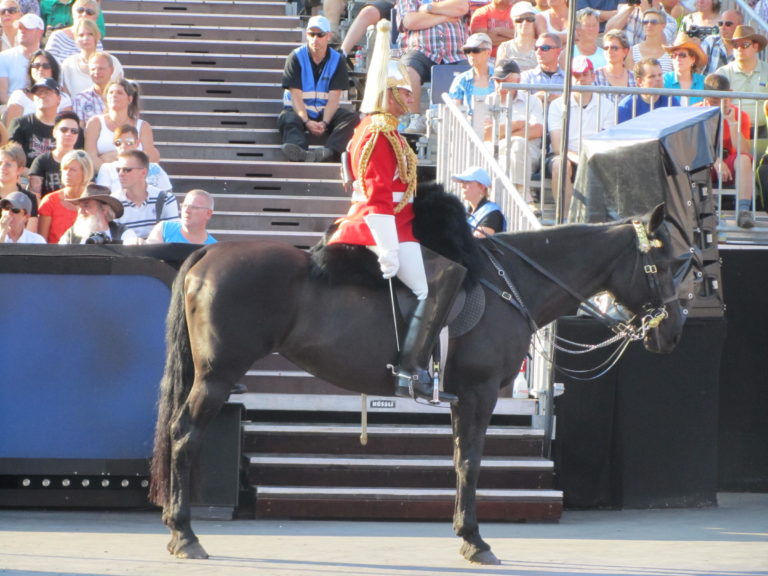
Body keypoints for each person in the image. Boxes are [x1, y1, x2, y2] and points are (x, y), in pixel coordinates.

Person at [328, 20, 463, 403]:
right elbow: (378, 194)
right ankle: (410, 372)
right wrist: (387, 247)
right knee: (429, 292)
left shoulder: (385, 130)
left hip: (397, 222)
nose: (410, 94)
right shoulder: (377, 133)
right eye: (403, 89)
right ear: (388, 93)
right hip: (381, 226)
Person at [278, 15, 359, 163]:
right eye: (311, 34)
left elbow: (334, 98)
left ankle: (328, 152)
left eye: (320, 35)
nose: (315, 39)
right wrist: (306, 121)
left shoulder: (337, 60)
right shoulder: (295, 57)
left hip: (324, 112)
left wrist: (325, 122)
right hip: (298, 111)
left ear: (328, 36)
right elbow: (295, 97)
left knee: (352, 118)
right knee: (287, 118)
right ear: (306, 35)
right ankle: (298, 150)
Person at [548, 56, 616, 214]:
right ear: (570, 78)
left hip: (595, 155)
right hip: (565, 156)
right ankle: (566, 219)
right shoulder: (557, 105)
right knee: (561, 165)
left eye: (585, 74)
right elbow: (558, 147)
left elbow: (606, 142)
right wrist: (579, 158)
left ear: (593, 76)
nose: (581, 79)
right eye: (576, 75)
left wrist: (586, 157)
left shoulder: (607, 106)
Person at [396, 0, 470, 134]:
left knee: (473, 75)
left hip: (456, 54)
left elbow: (461, 7)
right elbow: (410, 21)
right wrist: (445, 17)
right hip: (422, 51)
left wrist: (426, 9)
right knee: (407, 70)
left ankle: (468, 121)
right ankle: (415, 118)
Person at [695, 73, 754, 228]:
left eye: (721, 101)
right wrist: (714, 159)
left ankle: (743, 211)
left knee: (744, 159)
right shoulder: (693, 112)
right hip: (704, 160)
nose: (717, 106)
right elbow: (692, 147)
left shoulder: (740, 114)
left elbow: (744, 149)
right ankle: (705, 212)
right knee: (693, 162)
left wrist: (732, 122)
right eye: (713, 101)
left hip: (730, 161)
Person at [483, 59, 543, 206]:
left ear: (518, 80)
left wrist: (502, 133)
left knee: (516, 145)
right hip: (498, 149)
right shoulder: (489, 100)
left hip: (527, 152)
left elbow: (537, 130)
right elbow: (485, 134)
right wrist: (516, 125)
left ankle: (496, 202)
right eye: (496, 80)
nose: (499, 84)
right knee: (511, 149)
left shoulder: (532, 101)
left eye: (503, 80)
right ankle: (524, 196)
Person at [84, 78, 159, 171]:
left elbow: (149, 159)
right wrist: (110, 174)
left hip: (135, 178)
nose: (114, 95)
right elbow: (90, 157)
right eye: (111, 92)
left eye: (119, 93)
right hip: (102, 177)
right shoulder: (95, 123)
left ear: (130, 99)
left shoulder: (143, 127)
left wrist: (113, 156)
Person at [112, 149, 179, 242]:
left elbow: (173, 235)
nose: (120, 174)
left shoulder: (166, 199)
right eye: (118, 170)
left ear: (143, 172)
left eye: (126, 170)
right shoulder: (113, 201)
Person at [715, 25, 768, 139]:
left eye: (745, 45)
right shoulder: (723, 73)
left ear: (756, 46)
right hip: (732, 130)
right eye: (735, 45)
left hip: (764, 130)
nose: (739, 49)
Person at [96, 123, 171, 194]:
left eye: (129, 142)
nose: (123, 146)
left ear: (137, 143)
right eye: (118, 142)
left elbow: (167, 195)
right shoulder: (107, 168)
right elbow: (104, 197)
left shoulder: (155, 168)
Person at [3, 49, 71, 126]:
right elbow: (11, 130)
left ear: (53, 70)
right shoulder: (19, 96)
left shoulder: (64, 99)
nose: (40, 69)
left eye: (46, 66)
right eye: (36, 65)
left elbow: (67, 127)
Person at [36, 147, 91, 242]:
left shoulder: (93, 202)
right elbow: (42, 242)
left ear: (85, 173)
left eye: (73, 170)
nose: (67, 174)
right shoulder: (50, 201)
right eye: (65, 169)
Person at [8, 76, 64, 165]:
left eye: (47, 92)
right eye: (38, 92)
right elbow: (11, 159)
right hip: (25, 176)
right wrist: (31, 174)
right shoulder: (20, 124)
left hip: (59, 176)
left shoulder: (68, 128)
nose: (42, 95)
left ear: (59, 99)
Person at [60, 18, 121, 96]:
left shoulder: (112, 61)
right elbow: (65, 94)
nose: (85, 38)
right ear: (75, 38)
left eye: (90, 34)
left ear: (97, 36)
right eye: (81, 35)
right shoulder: (68, 64)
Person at [28, 109, 80, 198]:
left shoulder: (83, 160)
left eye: (74, 131)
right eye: (64, 130)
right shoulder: (41, 161)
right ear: (54, 132)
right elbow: (35, 196)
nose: (69, 134)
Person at [58, 182, 125, 243]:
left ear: (104, 209)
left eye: (86, 206)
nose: (81, 211)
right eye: (79, 207)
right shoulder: (70, 236)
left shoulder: (122, 234)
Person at [0, 12, 44, 105]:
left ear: (40, 32)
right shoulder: (3, 58)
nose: (22, 30)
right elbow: (2, 94)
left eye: (27, 28)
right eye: (20, 27)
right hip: (12, 109)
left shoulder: (50, 60)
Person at [617, 57, 680, 123]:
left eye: (660, 75)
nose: (658, 79)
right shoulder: (626, 106)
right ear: (640, 82)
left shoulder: (671, 101)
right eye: (652, 76)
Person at [146, 188, 216, 244]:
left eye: (194, 207)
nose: (187, 211)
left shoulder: (212, 247)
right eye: (184, 206)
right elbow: (148, 257)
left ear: (208, 214)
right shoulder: (164, 229)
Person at [448, 33, 494, 117]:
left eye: (476, 50)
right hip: (469, 125)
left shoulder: (499, 78)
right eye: (467, 51)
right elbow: (455, 110)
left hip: (496, 125)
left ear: (488, 53)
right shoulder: (461, 80)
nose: (471, 54)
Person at [452, 166, 506, 236]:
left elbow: (478, 242)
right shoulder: (465, 212)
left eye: (467, 182)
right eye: (462, 182)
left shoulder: (492, 213)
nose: (462, 186)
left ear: (482, 187)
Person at [605, 0, 677, 46]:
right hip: (624, 60)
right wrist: (631, 7)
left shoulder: (670, 22)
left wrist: (647, 12)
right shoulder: (627, 8)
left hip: (648, 63)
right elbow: (608, 32)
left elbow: (660, 43)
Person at [663, 32, 708, 105]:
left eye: (682, 55)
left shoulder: (704, 82)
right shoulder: (665, 79)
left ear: (693, 59)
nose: (677, 58)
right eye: (674, 55)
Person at [521, 32, 566, 103]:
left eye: (544, 48)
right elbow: (522, 103)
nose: (538, 52)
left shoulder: (568, 79)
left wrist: (544, 97)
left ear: (558, 51)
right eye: (536, 48)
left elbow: (574, 102)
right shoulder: (526, 77)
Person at [0, 142, 37, 228]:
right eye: (0, 163)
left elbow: (31, 234)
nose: (2, 167)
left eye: (8, 164)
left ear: (20, 170)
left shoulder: (29, 198)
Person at [71, 50, 111, 126]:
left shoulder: (121, 96)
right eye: (93, 69)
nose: (96, 72)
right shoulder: (80, 99)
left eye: (101, 69)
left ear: (111, 70)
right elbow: (79, 130)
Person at [628, 8, 674, 73]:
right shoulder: (632, 52)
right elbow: (630, 79)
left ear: (663, 26)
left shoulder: (672, 52)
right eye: (645, 22)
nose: (649, 25)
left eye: (653, 22)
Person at [496, 1, 538, 72]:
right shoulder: (505, 48)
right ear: (513, 22)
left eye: (529, 19)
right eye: (520, 20)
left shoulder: (542, 47)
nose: (525, 23)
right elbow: (500, 74)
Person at [40, 0, 106, 40]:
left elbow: (100, 33)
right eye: (80, 11)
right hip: (52, 48)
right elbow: (37, 34)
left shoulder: (87, 4)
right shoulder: (45, 4)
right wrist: (46, 39)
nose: (84, 13)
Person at [701, 9, 741, 75]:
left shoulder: (745, 47)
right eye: (720, 24)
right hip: (708, 84)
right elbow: (698, 70)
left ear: (740, 26)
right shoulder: (710, 42)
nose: (723, 27)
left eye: (728, 24)